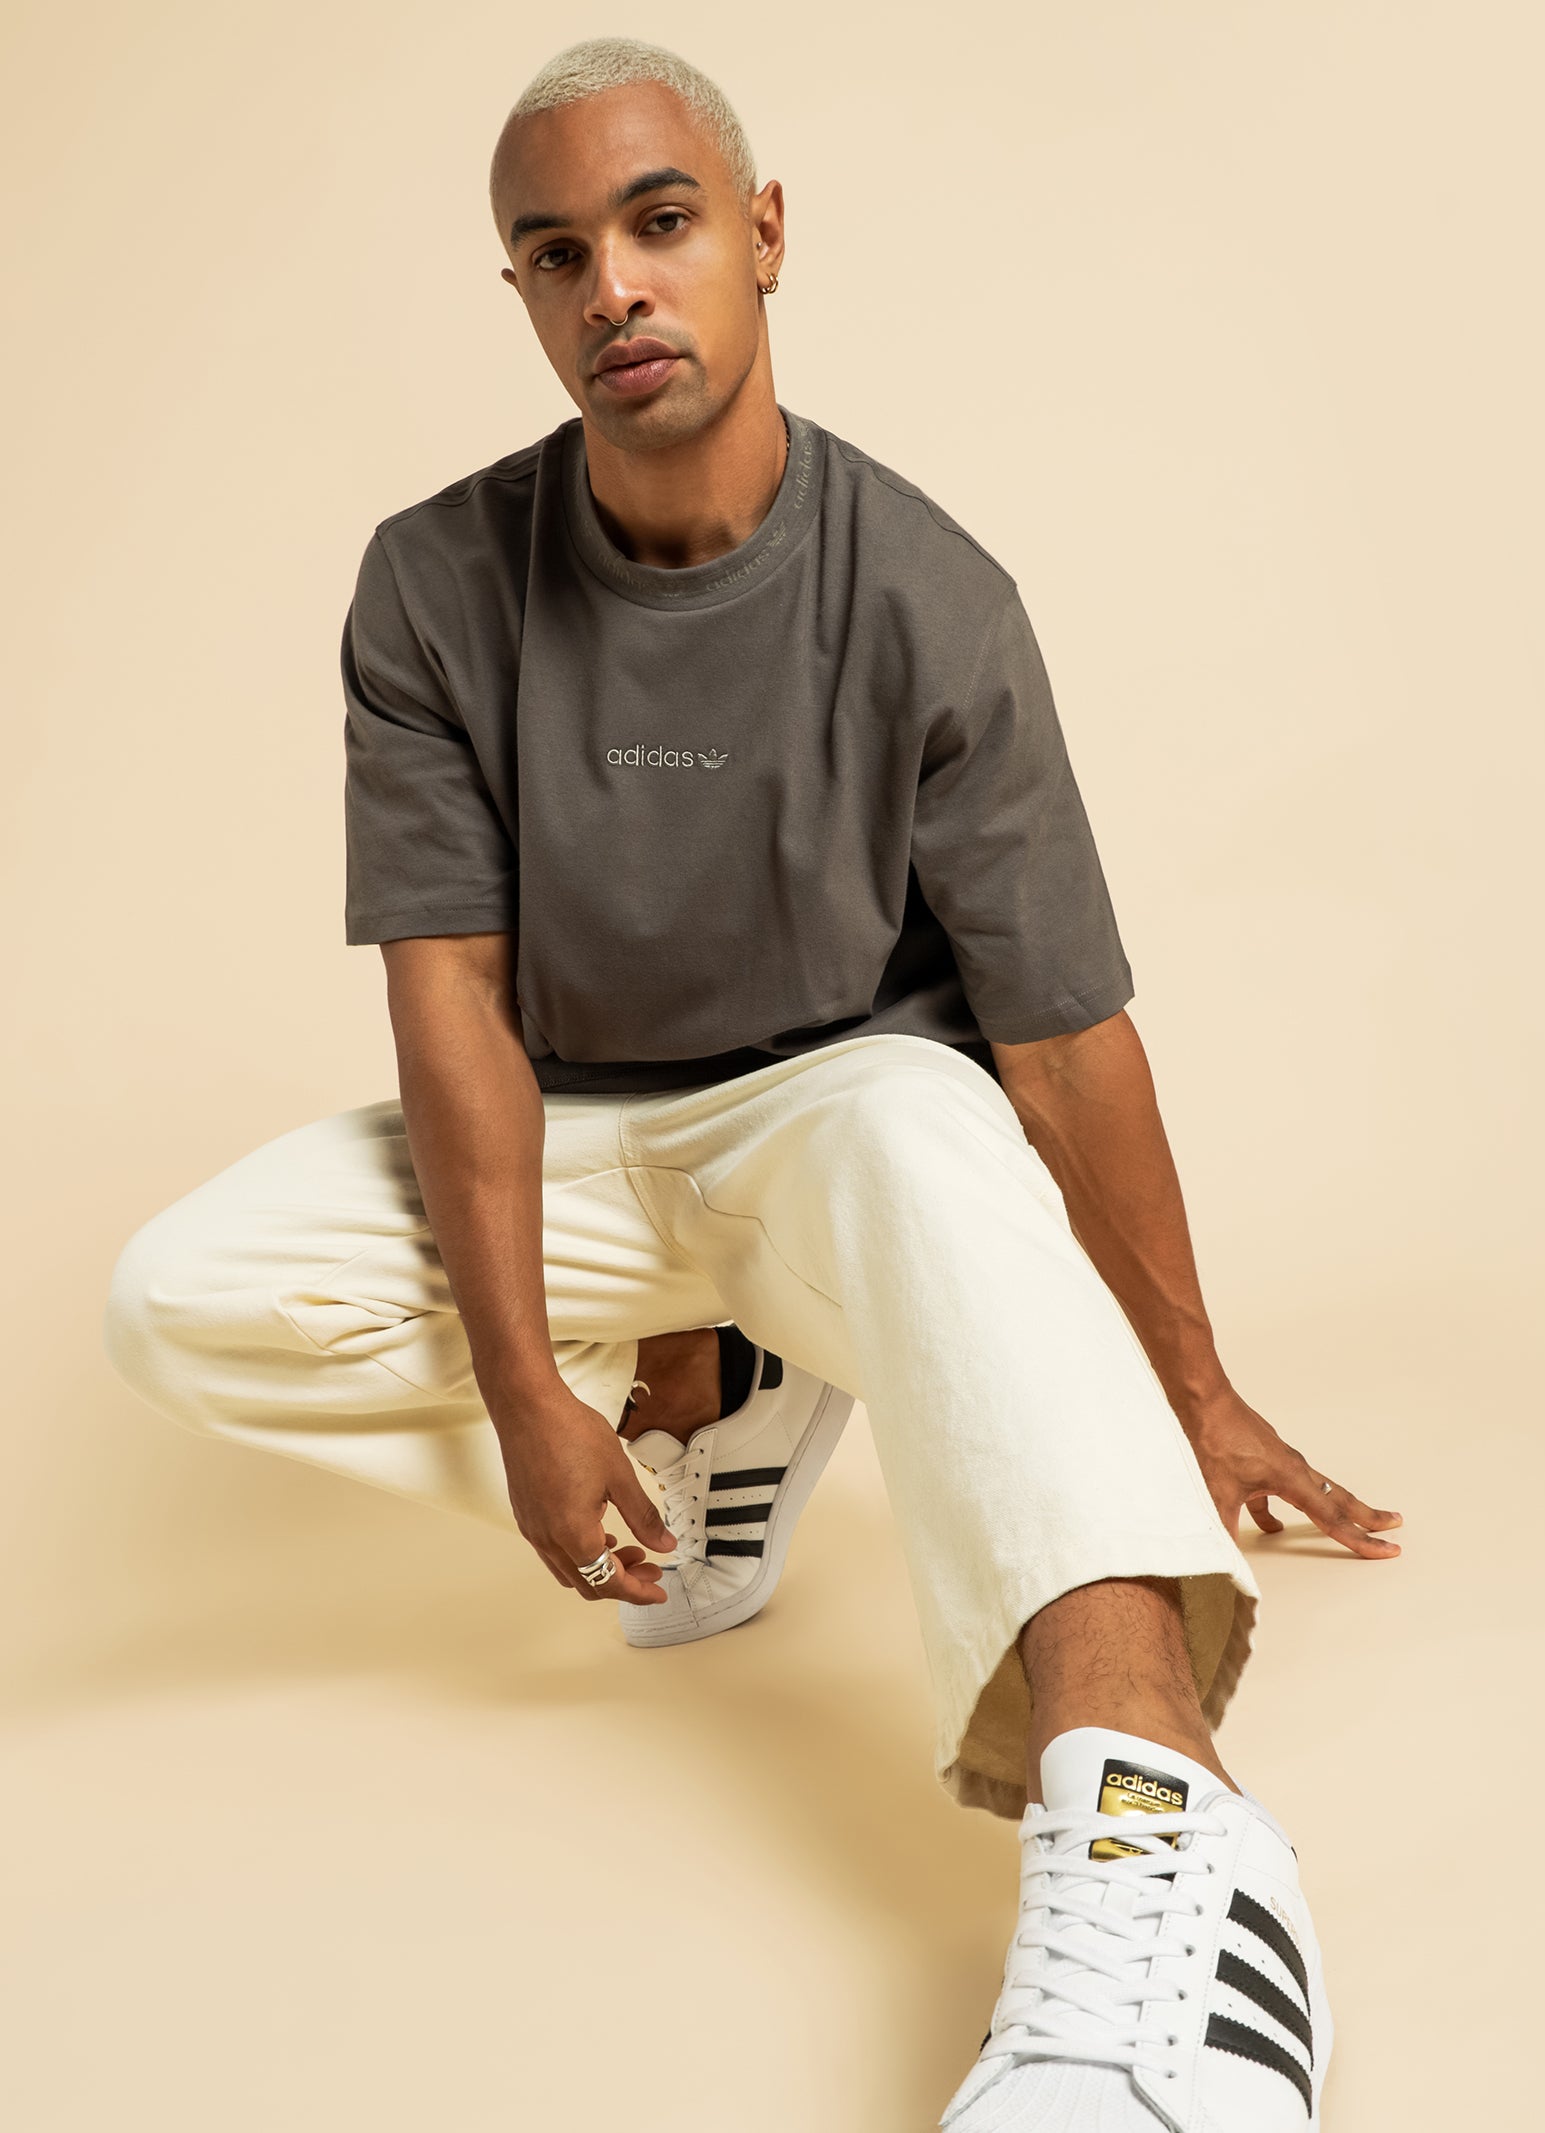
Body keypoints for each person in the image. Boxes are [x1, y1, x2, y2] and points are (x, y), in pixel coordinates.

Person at [102, 37, 1402, 2130]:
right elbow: (453, 1006)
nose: (611, 282)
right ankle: (712, 1385)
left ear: (764, 233)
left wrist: (1192, 1379)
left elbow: (1062, 1038)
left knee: (911, 1115)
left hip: (841, 1125)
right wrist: (528, 1395)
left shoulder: (929, 595)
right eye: (555, 253)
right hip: (585, 1133)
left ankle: (1170, 1842)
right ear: (522, 297)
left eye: (659, 221)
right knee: (175, 1297)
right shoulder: (431, 583)